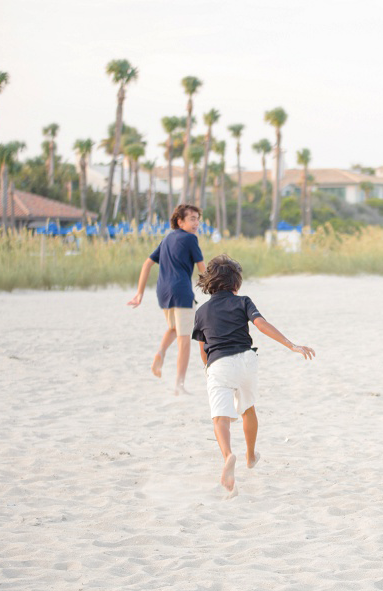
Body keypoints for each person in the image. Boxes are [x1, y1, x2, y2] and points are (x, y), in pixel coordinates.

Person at [192, 255, 315, 492]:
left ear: (210, 283)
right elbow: (260, 324)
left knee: (220, 417)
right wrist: (292, 345)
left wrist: (209, 370)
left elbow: (203, 350)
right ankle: (250, 456)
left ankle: (228, 455)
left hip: (218, 364)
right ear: (236, 284)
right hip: (247, 361)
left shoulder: (201, 312)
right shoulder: (243, 301)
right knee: (247, 409)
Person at [128, 204, 206, 395]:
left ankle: (160, 353)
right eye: (192, 219)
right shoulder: (190, 239)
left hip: (163, 292)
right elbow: (202, 268)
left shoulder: (167, 238)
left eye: (197, 218)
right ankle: (179, 385)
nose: (196, 222)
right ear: (180, 221)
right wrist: (216, 289)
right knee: (185, 340)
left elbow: (147, 264)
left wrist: (140, 293)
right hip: (181, 292)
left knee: (174, 328)